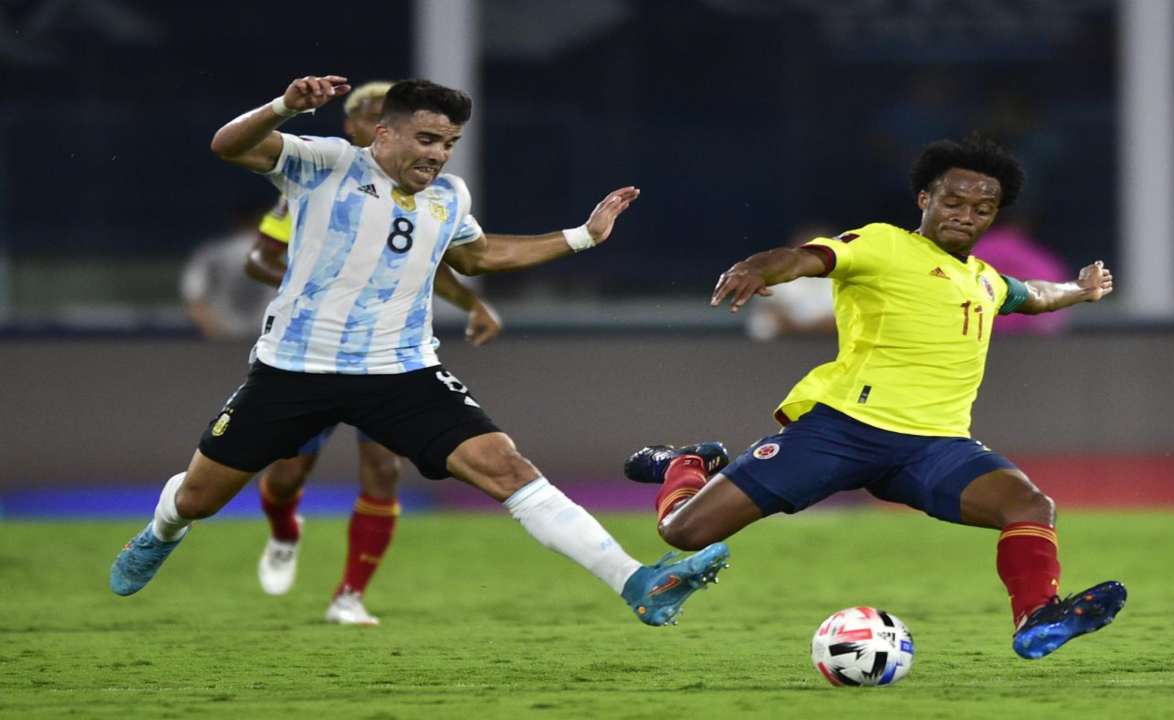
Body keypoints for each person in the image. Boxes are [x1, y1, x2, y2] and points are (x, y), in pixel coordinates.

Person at [110, 74, 730, 628]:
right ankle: (163, 532)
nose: (438, 154)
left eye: (449, 143)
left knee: (509, 469)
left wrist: (582, 237)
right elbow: (228, 146)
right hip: (295, 368)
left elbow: (478, 255)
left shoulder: (448, 196)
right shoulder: (326, 162)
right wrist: (281, 107)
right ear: (385, 132)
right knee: (199, 498)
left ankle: (638, 584)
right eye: (427, 139)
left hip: (402, 371)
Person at [624, 135, 1126, 659]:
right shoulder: (883, 244)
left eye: (982, 208)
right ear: (924, 200)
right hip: (842, 430)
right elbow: (803, 258)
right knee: (684, 532)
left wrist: (1081, 289)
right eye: (953, 202)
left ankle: (1037, 617)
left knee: (1029, 505)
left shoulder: (984, 281)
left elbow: (1035, 295)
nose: (966, 216)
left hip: (934, 446)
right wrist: (756, 267)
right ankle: (687, 463)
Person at [245, 80, 504, 626]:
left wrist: (472, 305)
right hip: (315, 353)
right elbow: (260, 258)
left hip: (387, 357)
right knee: (288, 474)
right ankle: (285, 528)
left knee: (382, 472)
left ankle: (349, 595)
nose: (434, 148)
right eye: (364, 112)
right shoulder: (315, 176)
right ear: (362, 128)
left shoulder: (428, 194)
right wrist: (322, 285)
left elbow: (434, 262)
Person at [180, 208, 277, 340]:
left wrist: (215, 334)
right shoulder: (286, 255)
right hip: (268, 341)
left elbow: (195, 300)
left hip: (224, 338)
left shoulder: (212, 252)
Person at [744, 225, 836, 342]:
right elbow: (763, 325)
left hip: (830, 349)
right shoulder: (775, 279)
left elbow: (843, 322)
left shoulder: (844, 281)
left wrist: (800, 327)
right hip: (780, 351)